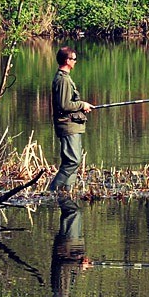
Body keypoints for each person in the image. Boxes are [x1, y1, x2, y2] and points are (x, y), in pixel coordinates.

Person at [48, 47, 94, 191]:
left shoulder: (65, 78)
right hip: (67, 126)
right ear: (67, 61)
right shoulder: (63, 80)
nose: (75, 62)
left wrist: (82, 106)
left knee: (73, 162)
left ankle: (67, 193)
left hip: (73, 126)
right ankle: (51, 191)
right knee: (73, 161)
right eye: (74, 59)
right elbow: (65, 105)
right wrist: (82, 104)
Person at [51, 198, 91, 297]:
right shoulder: (61, 293)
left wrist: (80, 265)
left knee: (74, 213)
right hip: (72, 245)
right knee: (72, 213)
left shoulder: (61, 292)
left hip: (68, 244)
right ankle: (63, 189)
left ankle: (58, 192)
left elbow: (62, 266)